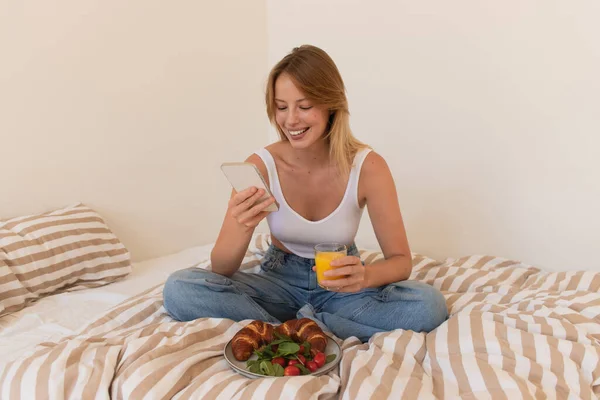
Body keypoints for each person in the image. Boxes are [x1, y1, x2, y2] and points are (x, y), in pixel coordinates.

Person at [163, 45, 447, 342]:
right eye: (281, 107)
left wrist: (365, 276)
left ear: (330, 104)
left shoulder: (368, 167)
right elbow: (221, 269)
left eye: (305, 105)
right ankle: (305, 331)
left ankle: (290, 329)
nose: (291, 121)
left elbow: (401, 261)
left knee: (428, 305)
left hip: (341, 289)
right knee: (180, 288)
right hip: (278, 282)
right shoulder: (262, 165)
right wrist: (242, 225)